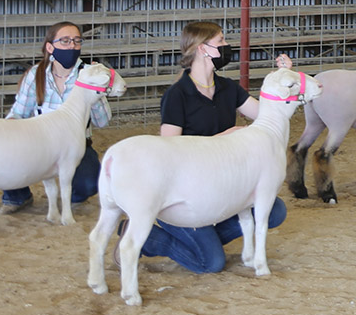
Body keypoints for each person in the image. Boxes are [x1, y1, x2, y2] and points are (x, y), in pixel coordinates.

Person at [116, 22, 293, 273]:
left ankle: (206, 236)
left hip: (221, 186)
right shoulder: (177, 95)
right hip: (184, 193)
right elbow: (167, 149)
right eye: (220, 41)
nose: (226, 46)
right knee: (209, 263)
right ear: (203, 49)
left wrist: (283, 79)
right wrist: (223, 137)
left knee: (274, 210)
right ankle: (146, 239)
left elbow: (267, 114)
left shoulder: (228, 88)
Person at [0, 21, 111, 213]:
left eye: (77, 41)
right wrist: (9, 132)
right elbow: (19, 113)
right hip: (39, 141)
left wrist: (97, 91)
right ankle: (17, 196)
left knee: (89, 182)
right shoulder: (36, 75)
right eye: (65, 41)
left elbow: (102, 122)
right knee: (5, 153)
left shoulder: (87, 73)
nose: (72, 46)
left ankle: (73, 196)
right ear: (50, 47)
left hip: (75, 144)